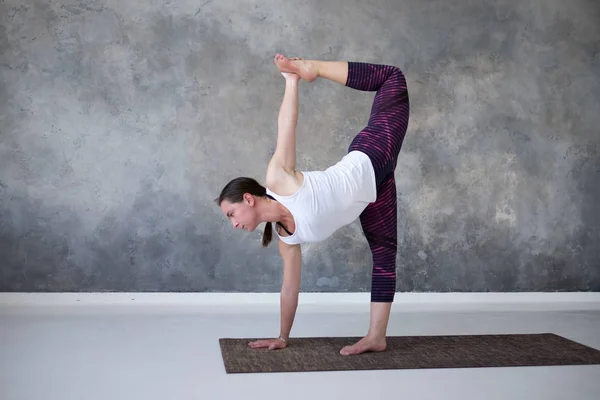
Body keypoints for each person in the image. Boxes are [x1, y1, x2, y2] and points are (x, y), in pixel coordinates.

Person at [216, 53, 410, 355]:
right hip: (374, 191)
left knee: (392, 78)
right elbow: (290, 288)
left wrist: (292, 80)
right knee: (384, 254)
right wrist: (282, 336)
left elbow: (286, 127)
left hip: (371, 157)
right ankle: (376, 337)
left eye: (231, 213)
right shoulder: (285, 237)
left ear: (248, 199)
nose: (234, 223)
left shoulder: (279, 180)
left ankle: (314, 67)